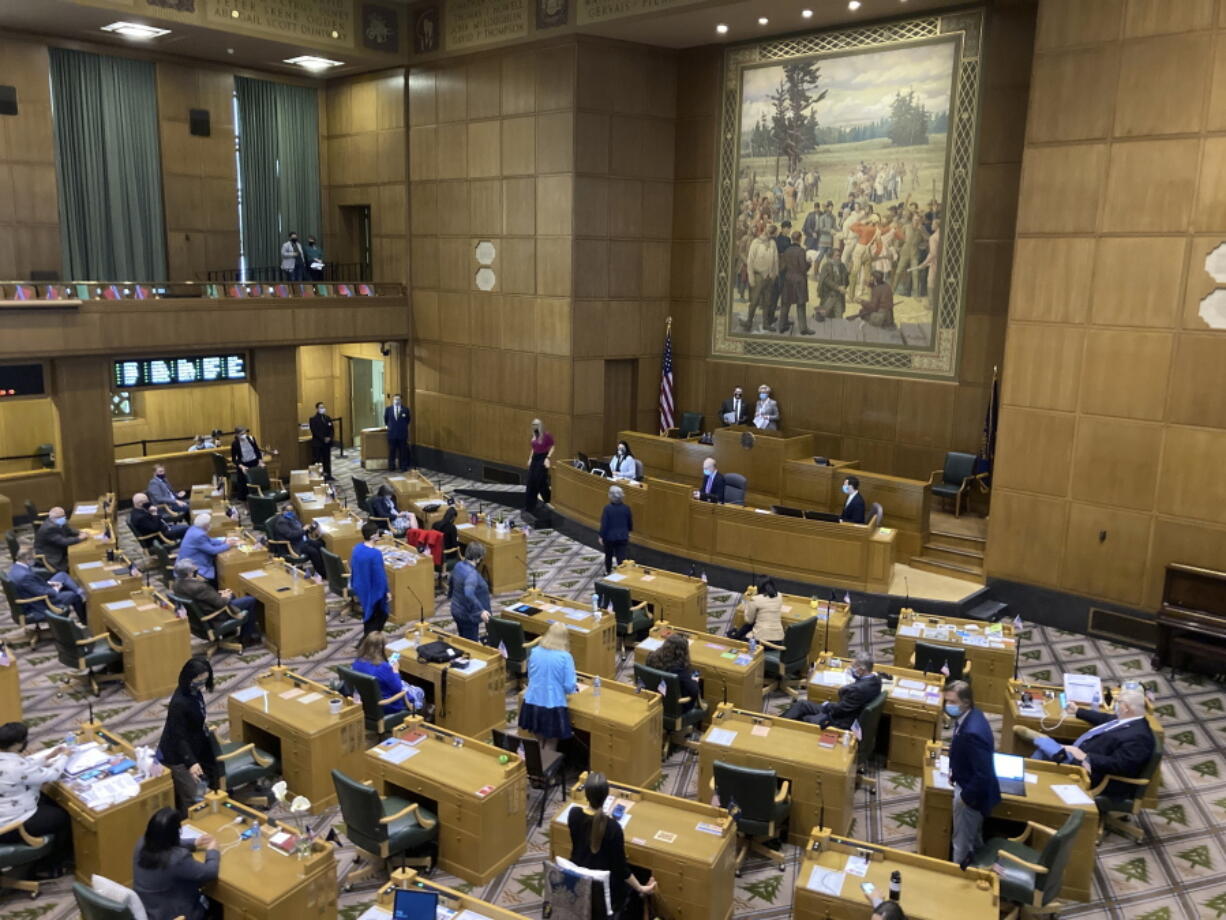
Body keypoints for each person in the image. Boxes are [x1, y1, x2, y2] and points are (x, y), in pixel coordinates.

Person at [1013, 688, 1155, 796]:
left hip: (1092, 770)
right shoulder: (1127, 720)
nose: (1116, 705)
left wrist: (1085, 756)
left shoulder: (1140, 737)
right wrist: (1078, 711)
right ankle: (1030, 780)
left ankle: (1041, 746)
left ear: (1126, 707)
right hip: (1081, 754)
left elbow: (1120, 765)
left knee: (1046, 751)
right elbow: (1104, 719)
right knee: (1044, 752)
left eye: (1118, 703)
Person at [567, 772, 657, 919]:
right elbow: (621, 869)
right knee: (639, 875)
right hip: (605, 891)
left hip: (579, 881)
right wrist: (642, 888)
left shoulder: (574, 814)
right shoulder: (613, 828)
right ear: (606, 796)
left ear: (586, 794)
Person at [0, 721, 71, 876]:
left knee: (49, 800)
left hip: (5, 813)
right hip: (11, 825)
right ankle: (51, 866)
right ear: (17, 744)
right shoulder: (15, 767)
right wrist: (64, 757)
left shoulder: (7, 759)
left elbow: (24, 766)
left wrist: (48, 757)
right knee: (63, 817)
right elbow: (52, 774)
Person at [944, 680, 1000, 867]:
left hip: (970, 796)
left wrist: (965, 798)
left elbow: (983, 774)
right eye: (947, 701)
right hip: (965, 783)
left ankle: (958, 880)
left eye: (952, 702)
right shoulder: (972, 716)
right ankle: (980, 872)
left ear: (966, 702)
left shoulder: (972, 732)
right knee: (974, 839)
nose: (948, 706)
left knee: (961, 843)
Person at [132, 807, 220, 920]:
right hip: (176, 915)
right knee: (217, 904)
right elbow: (210, 872)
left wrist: (194, 843)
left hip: (148, 911)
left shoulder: (142, 843)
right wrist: (213, 850)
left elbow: (162, 843)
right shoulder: (178, 859)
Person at [156, 658, 219, 814]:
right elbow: (179, 737)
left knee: (203, 786)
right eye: (198, 681)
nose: (201, 685)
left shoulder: (194, 693)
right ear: (188, 678)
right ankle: (188, 824)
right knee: (194, 798)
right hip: (178, 756)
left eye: (205, 680)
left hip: (194, 746)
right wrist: (190, 762)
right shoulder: (180, 702)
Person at [171, 559, 261, 648]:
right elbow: (221, 603)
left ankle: (229, 632)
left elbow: (205, 598)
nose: (196, 569)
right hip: (215, 617)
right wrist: (226, 595)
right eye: (194, 569)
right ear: (189, 573)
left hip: (198, 618)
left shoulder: (176, 584)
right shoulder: (199, 587)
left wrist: (221, 594)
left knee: (232, 596)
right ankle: (247, 638)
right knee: (250, 600)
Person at [518, 622, 578, 751]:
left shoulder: (535, 652)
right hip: (553, 704)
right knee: (551, 741)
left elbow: (530, 675)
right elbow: (569, 686)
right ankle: (547, 768)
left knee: (538, 739)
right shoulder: (565, 657)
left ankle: (536, 768)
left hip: (532, 701)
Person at [782, 652, 881, 728]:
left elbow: (841, 709)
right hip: (845, 711)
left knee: (806, 719)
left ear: (861, 669)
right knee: (802, 704)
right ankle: (777, 722)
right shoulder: (876, 680)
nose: (851, 668)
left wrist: (827, 705)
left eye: (853, 666)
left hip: (841, 720)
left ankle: (779, 728)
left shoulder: (857, 690)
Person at [7, 546, 87, 622]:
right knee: (72, 595)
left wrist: (50, 585)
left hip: (38, 589)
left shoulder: (16, 567)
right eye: (33, 557)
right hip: (41, 602)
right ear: (27, 559)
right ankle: (84, 619)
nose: (34, 559)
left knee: (62, 575)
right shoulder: (25, 576)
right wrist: (54, 589)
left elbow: (34, 586)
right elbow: (41, 593)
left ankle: (79, 591)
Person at [352, 632, 420, 715]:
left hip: (365, 702)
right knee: (419, 691)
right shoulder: (383, 667)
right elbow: (398, 688)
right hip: (387, 705)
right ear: (381, 648)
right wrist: (395, 671)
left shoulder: (357, 661)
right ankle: (419, 720)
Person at [349, 521, 391, 636]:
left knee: (368, 613)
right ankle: (369, 641)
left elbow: (351, 565)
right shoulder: (375, 554)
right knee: (380, 615)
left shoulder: (357, 548)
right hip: (373, 590)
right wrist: (387, 592)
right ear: (373, 536)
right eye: (377, 533)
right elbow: (380, 576)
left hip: (359, 586)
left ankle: (366, 640)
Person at [644, 633, 702, 714]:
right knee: (695, 674)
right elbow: (694, 691)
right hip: (675, 708)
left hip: (653, 700)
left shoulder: (651, 657)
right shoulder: (679, 670)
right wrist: (695, 677)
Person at [178, 513, 238, 584]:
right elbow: (213, 551)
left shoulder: (194, 528)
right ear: (205, 525)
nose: (210, 525)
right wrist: (228, 545)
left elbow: (208, 540)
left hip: (187, 562)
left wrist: (223, 541)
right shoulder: (199, 535)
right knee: (221, 566)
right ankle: (216, 587)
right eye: (209, 523)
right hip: (194, 568)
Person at [449, 542, 491, 641]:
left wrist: (450, 596)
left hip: (456, 609)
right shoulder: (471, 574)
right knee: (471, 644)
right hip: (468, 615)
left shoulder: (458, 565)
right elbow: (469, 594)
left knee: (463, 639)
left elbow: (451, 580)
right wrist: (481, 610)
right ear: (478, 558)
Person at [267, 507, 327, 576]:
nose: (291, 512)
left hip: (301, 541)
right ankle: (322, 573)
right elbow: (291, 535)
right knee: (313, 551)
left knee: (320, 543)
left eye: (292, 510)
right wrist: (303, 530)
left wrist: (309, 528)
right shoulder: (281, 522)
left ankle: (324, 568)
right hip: (293, 545)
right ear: (283, 512)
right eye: (288, 510)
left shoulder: (293, 517)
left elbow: (300, 527)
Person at [777, 231, 815, 335]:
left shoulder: (787, 250)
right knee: (800, 304)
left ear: (792, 239)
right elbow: (803, 268)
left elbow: (783, 267)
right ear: (800, 239)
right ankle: (803, 328)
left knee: (786, 304)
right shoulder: (801, 251)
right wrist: (809, 264)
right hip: (799, 280)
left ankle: (782, 326)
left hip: (788, 279)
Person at [727, 577, 784, 643]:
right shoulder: (779, 596)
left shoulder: (755, 599)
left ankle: (734, 635)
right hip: (779, 640)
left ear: (758, 587)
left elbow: (749, 620)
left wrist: (749, 601)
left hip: (761, 640)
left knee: (741, 634)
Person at [33, 508, 90, 573]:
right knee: (76, 561)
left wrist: (80, 532)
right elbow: (64, 541)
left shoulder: (57, 522)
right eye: (61, 517)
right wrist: (79, 538)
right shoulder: (49, 528)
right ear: (53, 518)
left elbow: (69, 530)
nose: (64, 518)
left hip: (58, 547)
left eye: (64, 516)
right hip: (52, 555)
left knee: (80, 555)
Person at [598, 485, 633, 575]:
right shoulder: (626, 508)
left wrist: (601, 536)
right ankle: (622, 574)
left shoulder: (607, 509)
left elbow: (604, 524)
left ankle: (608, 571)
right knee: (621, 556)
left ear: (610, 496)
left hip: (609, 537)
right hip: (623, 535)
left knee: (608, 555)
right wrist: (629, 532)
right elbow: (629, 522)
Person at [525, 418, 555, 513]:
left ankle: (548, 501)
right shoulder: (534, 435)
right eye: (533, 425)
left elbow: (553, 446)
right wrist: (530, 458)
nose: (534, 427)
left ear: (540, 425)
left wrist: (548, 458)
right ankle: (530, 506)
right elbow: (533, 448)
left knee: (540, 481)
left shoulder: (546, 435)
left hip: (542, 458)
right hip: (535, 459)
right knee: (530, 481)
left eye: (536, 425)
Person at [229, 427, 265, 501]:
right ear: (237, 435)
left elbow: (257, 450)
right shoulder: (235, 444)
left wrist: (260, 461)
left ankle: (259, 497)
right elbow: (234, 459)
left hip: (254, 462)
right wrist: (241, 466)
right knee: (244, 486)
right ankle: (246, 502)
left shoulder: (251, 439)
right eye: (241, 434)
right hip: (244, 464)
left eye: (244, 433)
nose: (244, 435)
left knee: (257, 481)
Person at [816, 244, 850, 321]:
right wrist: (838, 287)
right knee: (822, 317)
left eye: (839, 256)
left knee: (839, 317)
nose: (839, 258)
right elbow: (826, 280)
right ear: (832, 257)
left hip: (839, 296)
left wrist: (848, 273)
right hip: (828, 295)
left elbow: (845, 280)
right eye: (837, 256)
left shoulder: (842, 266)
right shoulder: (826, 266)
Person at [308, 402, 335, 482]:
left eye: (323, 407)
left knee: (327, 460)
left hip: (327, 444)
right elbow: (315, 431)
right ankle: (320, 477)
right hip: (318, 443)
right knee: (319, 461)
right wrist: (323, 438)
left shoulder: (327, 418)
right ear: (317, 409)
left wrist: (330, 437)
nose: (322, 408)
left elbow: (331, 429)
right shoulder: (313, 419)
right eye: (320, 407)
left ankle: (328, 475)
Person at [384, 395, 412, 472]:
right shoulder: (388, 409)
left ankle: (403, 466)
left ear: (401, 400)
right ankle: (391, 466)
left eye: (398, 399)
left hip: (402, 434)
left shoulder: (405, 410)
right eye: (395, 399)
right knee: (392, 451)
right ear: (393, 400)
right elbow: (386, 420)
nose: (397, 401)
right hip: (392, 434)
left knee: (403, 451)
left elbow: (408, 420)